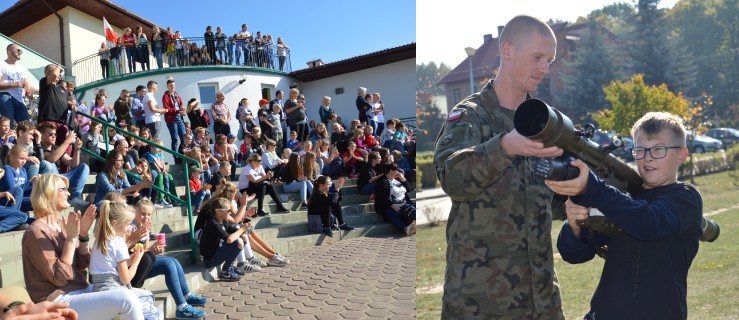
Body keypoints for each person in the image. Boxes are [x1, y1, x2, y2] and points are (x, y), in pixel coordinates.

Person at [433, 15, 564, 319]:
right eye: (537, 57)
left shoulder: (545, 123)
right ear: (507, 50)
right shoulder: (470, 116)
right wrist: (505, 146)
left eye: (549, 60)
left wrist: (575, 196)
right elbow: (453, 178)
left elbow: (545, 202)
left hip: (541, 302)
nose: (544, 68)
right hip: (481, 304)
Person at [547, 112, 702, 320]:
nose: (647, 158)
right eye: (640, 150)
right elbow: (575, 255)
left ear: (682, 155)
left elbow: (647, 222)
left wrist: (595, 189)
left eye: (658, 149)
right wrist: (575, 225)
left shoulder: (686, 198)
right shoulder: (622, 199)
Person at [22, 174, 143, 319]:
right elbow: (58, 278)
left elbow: (80, 264)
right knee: (126, 299)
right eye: (64, 189)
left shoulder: (61, 225)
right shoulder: (35, 232)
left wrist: (83, 235)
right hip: (58, 299)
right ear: (49, 193)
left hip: (81, 289)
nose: (68, 193)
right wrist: (71, 240)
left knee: (143, 297)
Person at [89, 200, 162, 320]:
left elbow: (111, 266)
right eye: (128, 224)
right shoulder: (118, 242)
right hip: (114, 293)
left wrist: (129, 261)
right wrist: (137, 260)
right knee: (149, 299)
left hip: (98, 291)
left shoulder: (99, 241)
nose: (129, 228)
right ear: (115, 223)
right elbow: (126, 279)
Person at [37, 122, 90, 208]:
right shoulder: (39, 148)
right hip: (48, 181)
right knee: (51, 165)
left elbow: (73, 163)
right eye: (50, 134)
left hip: (59, 178)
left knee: (84, 167)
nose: (54, 136)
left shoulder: (56, 148)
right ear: (42, 135)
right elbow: (51, 159)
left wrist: (77, 149)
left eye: (55, 134)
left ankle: (75, 197)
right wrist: (68, 141)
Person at [0, 44, 38, 127]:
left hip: (19, 99)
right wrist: (13, 84)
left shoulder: (21, 68)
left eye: (21, 51)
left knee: (27, 126)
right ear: (9, 51)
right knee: (8, 125)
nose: (20, 52)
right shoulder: (2, 64)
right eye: (18, 50)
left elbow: (29, 87)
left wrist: (42, 91)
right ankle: (8, 139)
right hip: (5, 96)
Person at [373, 163, 415, 235]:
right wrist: (394, 206)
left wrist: (403, 179)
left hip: (404, 203)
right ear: (390, 171)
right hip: (387, 206)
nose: (398, 171)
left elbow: (409, 189)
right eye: (396, 170)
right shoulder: (382, 182)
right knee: (393, 214)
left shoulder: (397, 180)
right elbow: (383, 198)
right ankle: (405, 228)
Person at [161, 79, 186, 154]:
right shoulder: (165, 96)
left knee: (184, 138)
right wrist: (178, 111)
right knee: (175, 139)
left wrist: (182, 107)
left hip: (179, 117)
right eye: (171, 86)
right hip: (171, 119)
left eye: (174, 85)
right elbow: (166, 108)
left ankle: (183, 155)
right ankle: (176, 157)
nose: (173, 87)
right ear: (167, 86)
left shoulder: (177, 95)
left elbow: (181, 104)